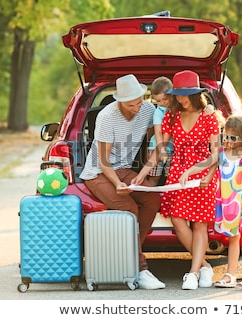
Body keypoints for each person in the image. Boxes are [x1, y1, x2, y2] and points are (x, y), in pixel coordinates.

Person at [132, 70, 220, 290]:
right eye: (177, 94)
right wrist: (141, 175)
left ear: (195, 94)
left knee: (200, 225)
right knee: (179, 222)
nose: (180, 99)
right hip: (177, 176)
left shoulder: (209, 117)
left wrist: (193, 171)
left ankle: (192, 273)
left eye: (185, 94)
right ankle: (205, 266)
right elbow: (160, 151)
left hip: (201, 176)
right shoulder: (173, 116)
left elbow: (216, 153)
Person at [79, 74, 165, 290]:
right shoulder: (107, 117)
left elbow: (152, 142)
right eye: (130, 104)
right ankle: (141, 269)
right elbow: (104, 160)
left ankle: (129, 254)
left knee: (152, 199)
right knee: (128, 208)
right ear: (119, 101)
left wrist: (145, 174)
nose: (137, 107)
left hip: (124, 169)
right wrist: (118, 183)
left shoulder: (147, 110)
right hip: (98, 172)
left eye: (139, 101)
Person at [211, 115, 242, 290]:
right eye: (226, 137)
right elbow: (206, 163)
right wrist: (187, 173)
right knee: (233, 237)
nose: (229, 141)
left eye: (233, 138)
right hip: (229, 202)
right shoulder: (223, 153)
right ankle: (230, 274)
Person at [147, 76, 174, 186]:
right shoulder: (158, 112)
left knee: (171, 177)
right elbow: (158, 132)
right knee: (155, 177)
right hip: (156, 147)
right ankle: (149, 197)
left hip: (173, 148)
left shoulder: (177, 108)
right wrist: (161, 149)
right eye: (158, 101)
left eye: (165, 99)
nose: (162, 103)